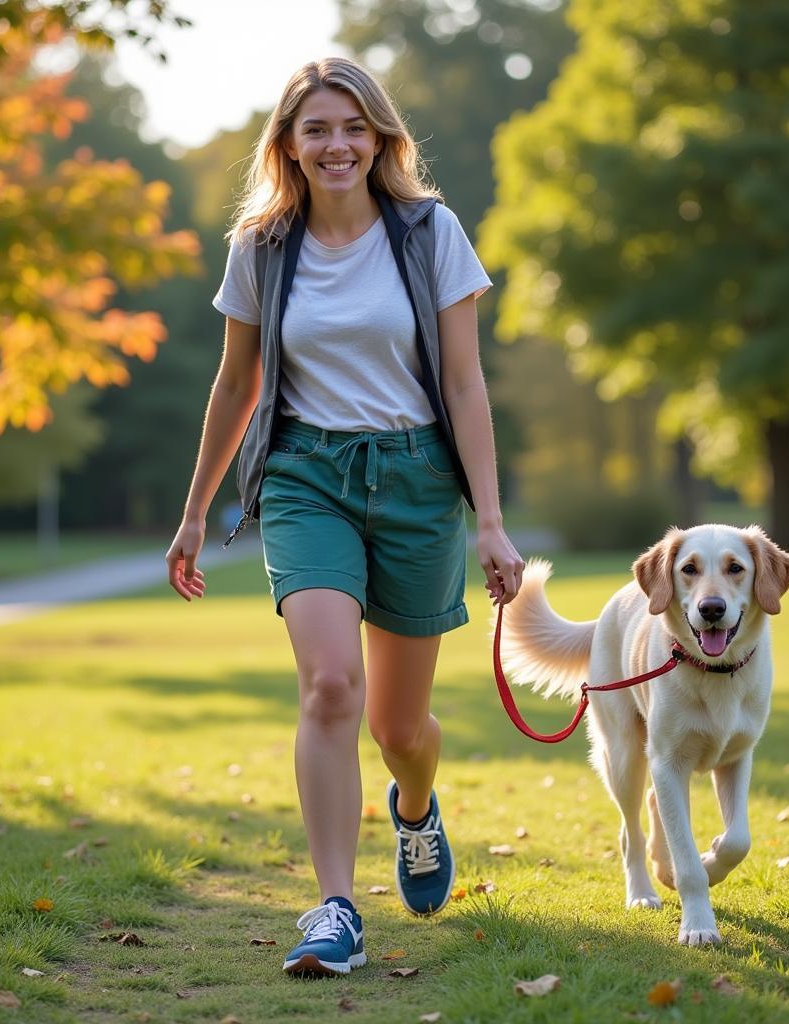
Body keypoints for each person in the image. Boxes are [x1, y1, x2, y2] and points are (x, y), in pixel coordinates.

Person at [165, 57, 523, 979]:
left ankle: (414, 807)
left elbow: (464, 380)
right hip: (304, 475)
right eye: (317, 129)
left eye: (354, 127)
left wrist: (490, 519)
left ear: (381, 138)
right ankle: (334, 909)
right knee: (331, 687)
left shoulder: (429, 231)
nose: (337, 145)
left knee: (401, 729)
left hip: (415, 481)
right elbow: (237, 383)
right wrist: (196, 511)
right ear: (288, 142)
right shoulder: (261, 245)